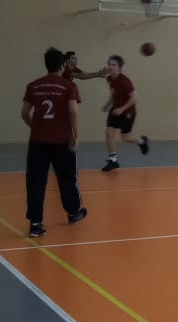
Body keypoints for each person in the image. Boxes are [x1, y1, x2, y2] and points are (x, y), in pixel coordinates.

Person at [22, 47, 87, 238]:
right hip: (62, 141)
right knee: (67, 178)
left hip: (38, 142)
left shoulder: (33, 85)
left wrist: (36, 127)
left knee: (36, 182)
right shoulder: (68, 86)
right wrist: (76, 135)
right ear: (63, 65)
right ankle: (73, 213)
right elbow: (73, 111)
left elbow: (24, 113)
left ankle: (35, 224)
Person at [101, 54, 150, 171]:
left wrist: (122, 109)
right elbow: (113, 93)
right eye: (109, 64)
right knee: (109, 132)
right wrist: (108, 104)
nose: (111, 66)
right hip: (115, 110)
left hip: (128, 112)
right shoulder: (110, 78)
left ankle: (142, 142)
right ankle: (113, 160)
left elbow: (134, 97)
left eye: (114, 65)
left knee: (126, 138)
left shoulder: (125, 81)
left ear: (119, 67)